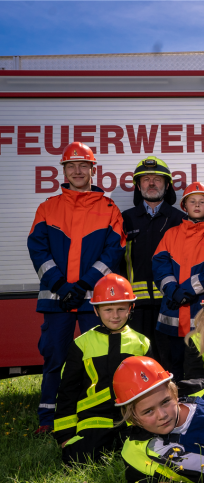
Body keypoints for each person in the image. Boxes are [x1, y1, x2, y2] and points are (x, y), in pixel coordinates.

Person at [28, 142, 126, 435]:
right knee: (55, 356)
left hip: (91, 300)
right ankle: (48, 418)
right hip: (56, 299)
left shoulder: (108, 208)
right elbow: (37, 248)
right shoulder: (48, 207)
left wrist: (84, 285)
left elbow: (114, 250)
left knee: (96, 358)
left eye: (84, 165)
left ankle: (95, 411)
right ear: (64, 171)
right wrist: (59, 284)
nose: (78, 170)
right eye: (72, 166)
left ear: (93, 170)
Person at [53, 274, 151, 464]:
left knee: (144, 456)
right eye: (108, 309)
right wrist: (65, 436)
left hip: (130, 419)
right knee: (77, 459)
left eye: (121, 309)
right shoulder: (82, 344)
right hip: (93, 420)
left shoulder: (142, 343)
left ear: (131, 308)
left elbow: (151, 389)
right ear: (96, 311)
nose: (115, 315)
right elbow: (67, 392)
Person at [153, 183, 204, 380]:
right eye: (192, 201)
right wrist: (172, 290)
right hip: (171, 314)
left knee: (198, 367)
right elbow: (159, 265)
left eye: (202, 201)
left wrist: (186, 290)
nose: (197, 205)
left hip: (198, 313)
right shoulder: (171, 234)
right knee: (172, 367)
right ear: (184, 206)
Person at [121, 156, 186, 349]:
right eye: (146, 179)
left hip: (171, 304)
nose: (151, 183)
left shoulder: (180, 220)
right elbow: (117, 262)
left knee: (171, 360)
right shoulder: (124, 220)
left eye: (157, 179)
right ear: (138, 186)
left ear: (167, 186)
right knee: (139, 359)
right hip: (135, 306)